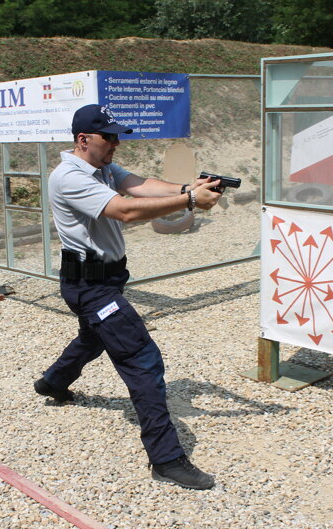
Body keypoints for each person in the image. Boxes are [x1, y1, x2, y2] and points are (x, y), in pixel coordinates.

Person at [34, 104, 223, 490]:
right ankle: (166, 458)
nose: (116, 143)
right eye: (109, 137)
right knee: (142, 360)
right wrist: (189, 201)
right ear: (83, 139)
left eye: (117, 136)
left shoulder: (101, 166)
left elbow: (140, 184)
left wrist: (187, 188)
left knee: (93, 337)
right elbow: (124, 210)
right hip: (89, 285)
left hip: (104, 278)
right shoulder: (69, 177)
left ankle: (53, 382)